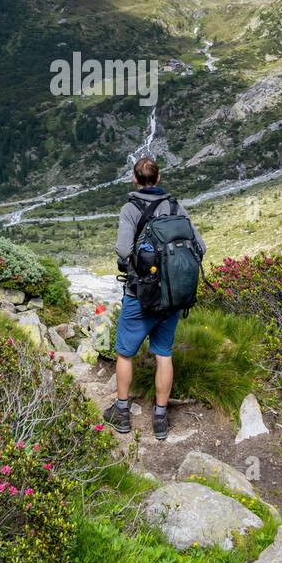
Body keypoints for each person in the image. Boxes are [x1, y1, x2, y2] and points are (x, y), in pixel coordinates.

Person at [104, 156, 205, 441]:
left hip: (140, 295)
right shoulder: (175, 206)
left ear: (135, 180)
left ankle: (122, 413)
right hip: (172, 296)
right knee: (164, 353)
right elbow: (201, 246)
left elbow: (123, 249)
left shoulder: (131, 208)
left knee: (125, 352)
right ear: (158, 179)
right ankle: (160, 419)